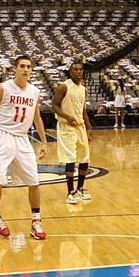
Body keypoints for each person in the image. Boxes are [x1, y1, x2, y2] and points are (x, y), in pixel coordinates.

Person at [0, 55, 50, 240]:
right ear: (15, 69)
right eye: (22, 66)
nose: (26, 69)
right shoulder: (3, 88)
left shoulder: (34, 91)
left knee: (34, 182)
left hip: (23, 139)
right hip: (2, 136)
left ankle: (36, 221)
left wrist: (44, 141)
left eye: (29, 67)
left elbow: (37, 118)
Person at [52, 61, 92, 204]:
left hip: (79, 126)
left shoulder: (82, 88)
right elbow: (54, 105)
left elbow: (83, 110)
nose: (78, 72)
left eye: (80, 69)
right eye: (75, 69)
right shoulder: (64, 86)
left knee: (84, 158)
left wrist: (88, 127)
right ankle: (70, 192)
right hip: (66, 127)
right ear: (70, 72)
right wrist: (67, 116)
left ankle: (80, 189)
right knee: (70, 158)